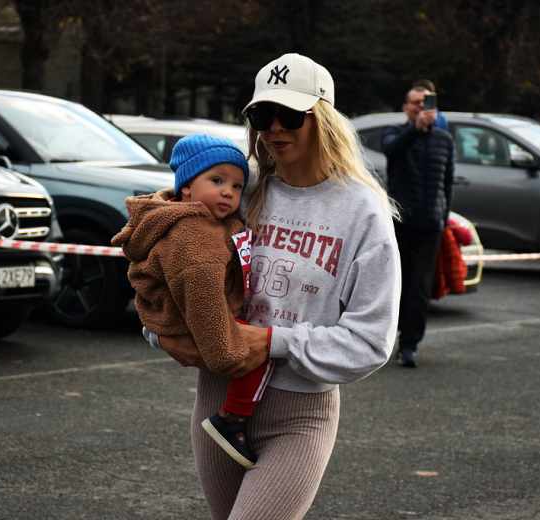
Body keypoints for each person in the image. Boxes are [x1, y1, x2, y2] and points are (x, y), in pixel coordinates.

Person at [145, 53, 401, 520]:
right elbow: (166, 272)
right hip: (216, 401)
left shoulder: (363, 210)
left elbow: (371, 341)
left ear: (322, 118)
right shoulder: (240, 190)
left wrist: (271, 341)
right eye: (262, 115)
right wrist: (162, 334)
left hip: (299, 414)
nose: (274, 129)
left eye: (291, 115)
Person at [112, 134, 275, 468]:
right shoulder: (195, 235)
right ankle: (232, 420)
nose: (229, 192)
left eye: (237, 186)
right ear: (186, 185)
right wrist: (227, 353)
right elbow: (204, 298)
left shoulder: (188, 217)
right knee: (260, 355)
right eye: (217, 181)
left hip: (178, 312)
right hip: (189, 318)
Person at [381, 85, 455, 368]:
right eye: (414, 103)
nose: (419, 107)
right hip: (401, 222)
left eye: (424, 102)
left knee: (421, 285)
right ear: (405, 108)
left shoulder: (444, 140)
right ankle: (388, 336)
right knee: (398, 282)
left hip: (431, 224)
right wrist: (416, 128)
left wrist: (444, 214)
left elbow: (448, 182)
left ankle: (409, 345)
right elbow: (392, 151)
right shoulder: (395, 132)